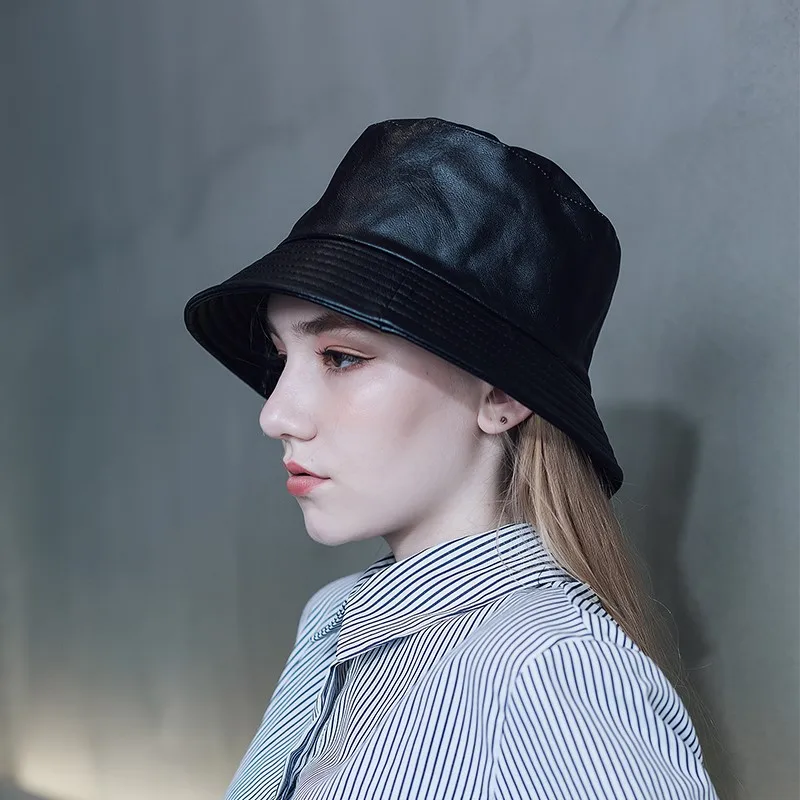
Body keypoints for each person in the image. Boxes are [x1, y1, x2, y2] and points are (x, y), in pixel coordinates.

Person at [183, 117, 720, 799]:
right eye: (282, 356)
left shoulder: (550, 668)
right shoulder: (332, 618)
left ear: (501, 395)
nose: (276, 414)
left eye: (341, 356)